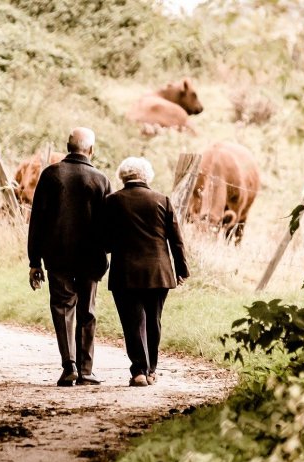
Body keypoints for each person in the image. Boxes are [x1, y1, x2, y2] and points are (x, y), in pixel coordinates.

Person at [28, 127, 111, 387]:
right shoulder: (100, 179)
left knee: (63, 309)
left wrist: (34, 261)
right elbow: (109, 223)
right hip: (91, 257)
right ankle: (86, 371)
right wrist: (105, 251)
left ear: (67, 146)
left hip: (57, 256)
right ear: (91, 150)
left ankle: (69, 366)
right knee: (87, 311)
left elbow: (37, 221)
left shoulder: (51, 175)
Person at [103, 157, 189, 387]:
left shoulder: (112, 201)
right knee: (154, 320)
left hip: (125, 273)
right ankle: (151, 370)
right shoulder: (163, 200)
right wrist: (181, 269)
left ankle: (139, 371)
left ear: (123, 176)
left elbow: (105, 242)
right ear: (147, 176)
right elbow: (176, 241)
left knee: (132, 322)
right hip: (159, 272)